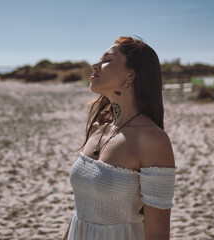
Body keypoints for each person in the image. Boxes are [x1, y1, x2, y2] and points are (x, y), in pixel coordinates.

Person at [63, 36, 177, 240]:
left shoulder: (152, 140)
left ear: (130, 75)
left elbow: (158, 233)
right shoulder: (98, 128)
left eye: (106, 60)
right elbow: (80, 211)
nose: (94, 65)